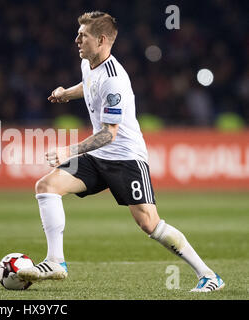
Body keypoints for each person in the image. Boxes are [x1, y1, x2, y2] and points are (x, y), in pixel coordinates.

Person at [17, 11, 224, 292]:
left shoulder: (115, 79)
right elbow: (90, 85)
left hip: (126, 158)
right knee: (47, 185)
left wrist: (71, 150)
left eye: (83, 35)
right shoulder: (87, 64)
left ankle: (209, 275)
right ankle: (55, 261)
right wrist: (68, 93)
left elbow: (109, 133)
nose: (76, 39)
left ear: (101, 40)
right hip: (99, 156)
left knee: (149, 224)